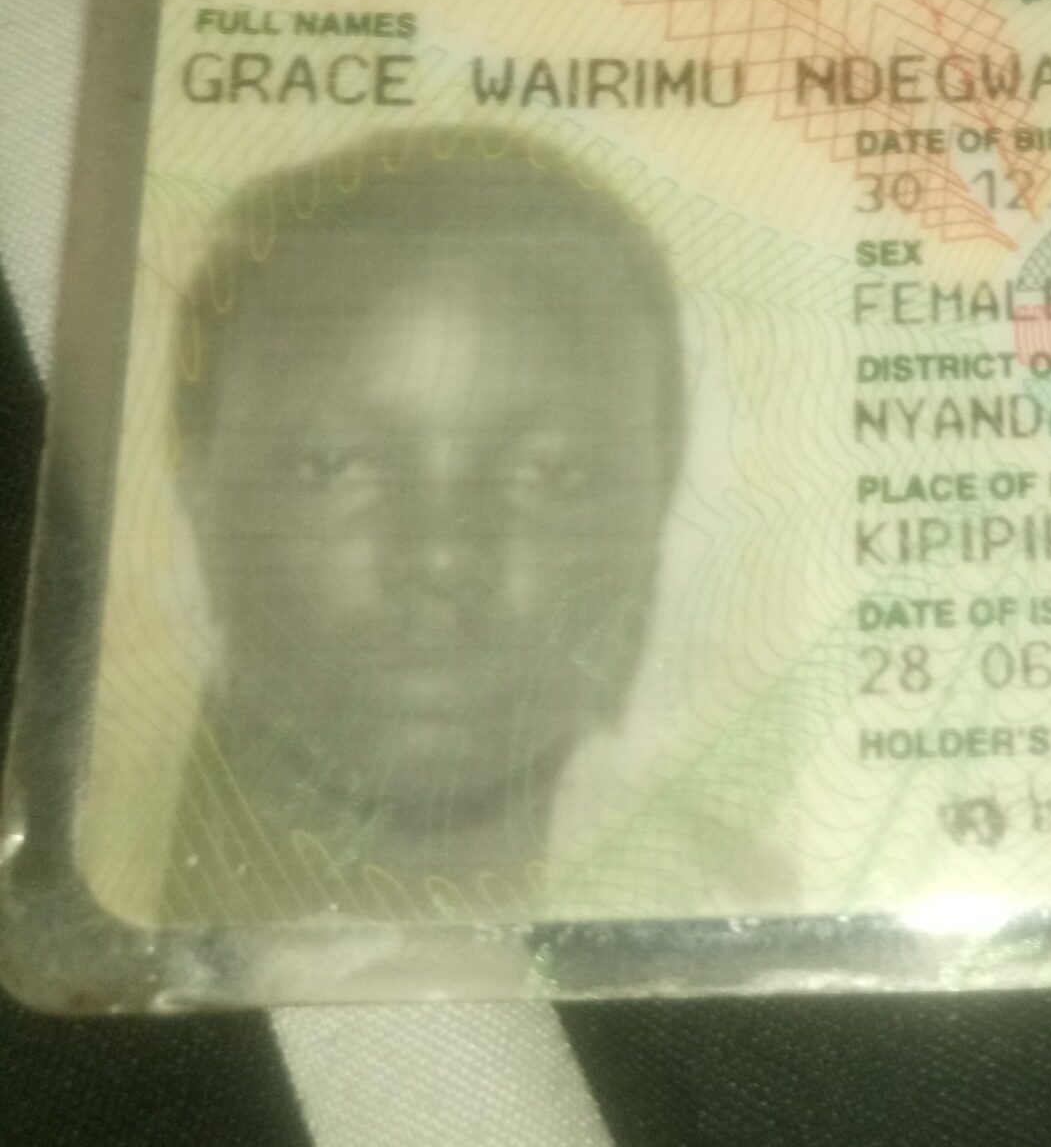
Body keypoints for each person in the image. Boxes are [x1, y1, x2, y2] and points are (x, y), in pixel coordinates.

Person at [162, 130, 683, 921]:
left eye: (554, 472)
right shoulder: (85, 882)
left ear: (657, 503)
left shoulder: (759, 909)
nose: (441, 554)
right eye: (332, 463)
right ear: (200, 488)